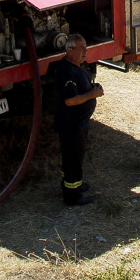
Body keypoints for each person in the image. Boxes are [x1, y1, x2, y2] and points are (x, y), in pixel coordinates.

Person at [53, 34, 103, 206]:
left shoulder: (76, 67)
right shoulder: (66, 71)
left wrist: (92, 88)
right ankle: (72, 196)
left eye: (85, 48)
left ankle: (76, 185)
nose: (85, 52)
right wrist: (93, 94)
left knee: (77, 156)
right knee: (72, 159)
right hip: (71, 125)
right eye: (81, 48)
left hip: (79, 123)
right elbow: (70, 100)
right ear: (69, 50)